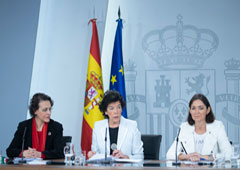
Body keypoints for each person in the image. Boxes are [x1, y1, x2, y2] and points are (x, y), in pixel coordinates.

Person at [166, 93, 232, 161]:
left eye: (201, 108)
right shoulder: (184, 127)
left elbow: (228, 153)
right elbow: (169, 154)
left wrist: (203, 157)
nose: (197, 112)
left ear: (208, 110)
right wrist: (187, 156)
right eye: (193, 108)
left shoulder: (217, 126)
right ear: (190, 111)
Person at [88, 90, 144, 160]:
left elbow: (140, 156)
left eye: (118, 107)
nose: (116, 112)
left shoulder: (132, 126)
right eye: (111, 108)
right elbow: (96, 154)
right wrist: (92, 156)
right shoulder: (98, 127)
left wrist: (126, 157)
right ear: (105, 111)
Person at [6, 93, 64, 159]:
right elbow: (9, 151)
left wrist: (40, 154)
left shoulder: (56, 127)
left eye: (50, 109)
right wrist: (23, 153)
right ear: (35, 111)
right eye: (45, 110)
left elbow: (60, 152)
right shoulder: (24, 126)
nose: (49, 113)